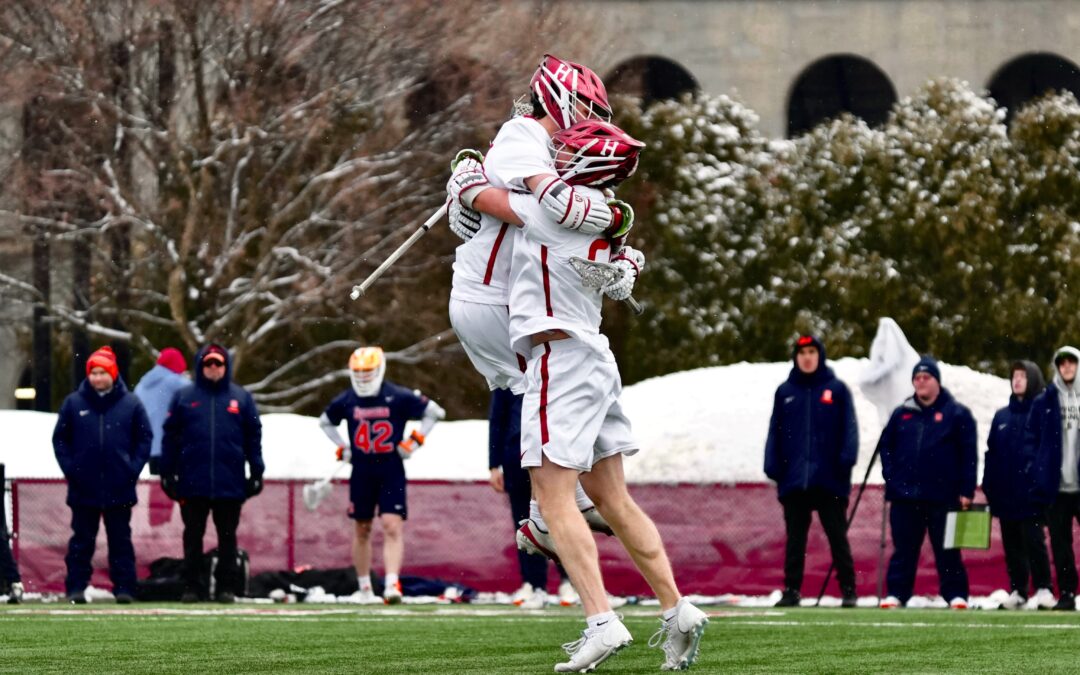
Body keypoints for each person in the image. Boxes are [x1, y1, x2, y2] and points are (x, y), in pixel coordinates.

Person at [471, 120, 707, 672]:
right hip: (593, 358)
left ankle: (600, 620)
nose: (560, 153)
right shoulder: (599, 213)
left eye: (571, 150)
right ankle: (677, 608)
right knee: (613, 500)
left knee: (551, 495)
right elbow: (626, 255)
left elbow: (481, 196)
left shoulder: (555, 210)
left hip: (560, 357)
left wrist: (463, 172)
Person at [444, 53, 623, 561]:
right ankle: (548, 512)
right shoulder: (526, 135)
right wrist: (473, 192)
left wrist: (469, 187)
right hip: (492, 299)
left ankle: (564, 500)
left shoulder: (542, 146)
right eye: (587, 108)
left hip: (492, 298)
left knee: (546, 392)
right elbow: (541, 211)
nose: (593, 121)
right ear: (563, 101)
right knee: (548, 389)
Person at [318, 346, 445, 604]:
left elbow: (435, 412)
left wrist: (415, 440)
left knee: (391, 525)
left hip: (390, 469)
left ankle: (391, 584)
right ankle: (364, 588)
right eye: (359, 373)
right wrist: (343, 447)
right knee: (362, 528)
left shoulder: (396, 396)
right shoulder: (347, 399)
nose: (363, 378)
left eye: (368, 372)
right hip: (362, 471)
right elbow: (325, 421)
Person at [161, 344, 264, 603]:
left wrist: (256, 470)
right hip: (193, 481)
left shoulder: (241, 398)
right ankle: (192, 587)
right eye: (209, 364)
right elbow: (170, 437)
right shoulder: (184, 397)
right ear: (201, 366)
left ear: (225, 366)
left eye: (218, 364)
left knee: (227, 537)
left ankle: (226, 587)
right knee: (193, 536)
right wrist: (167, 472)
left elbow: (253, 436)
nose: (214, 368)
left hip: (229, 482)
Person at [52, 346, 153, 604]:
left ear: (113, 373)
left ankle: (125, 589)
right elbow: (60, 440)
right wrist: (71, 469)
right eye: (93, 372)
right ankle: (75, 588)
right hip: (83, 488)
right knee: (81, 542)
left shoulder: (131, 404)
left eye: (102, 372)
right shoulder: (73, 403)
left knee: (120, 541)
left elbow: (144, 439)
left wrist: (132, 469)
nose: (97, 377)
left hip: (120, 486)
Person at [764, 334, 859, 608]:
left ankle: (848, 589)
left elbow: (849, 431)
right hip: (794, 480)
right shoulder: (785, 392)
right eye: (802, 352)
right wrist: (773, 466)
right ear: (796, 357)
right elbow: (775, 431)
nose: (807, 357)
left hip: (829, 479)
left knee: (837, 536)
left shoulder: (837, 389)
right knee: (795, 539)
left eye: (812, 352)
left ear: (820, 356)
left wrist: (845, 461)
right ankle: (792, 590)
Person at [877, 355, 977, 609]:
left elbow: (969, 454)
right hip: (905, 496)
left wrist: (966, 489)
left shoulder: (957, 414)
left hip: (943, 495)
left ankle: (956, 594)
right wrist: (891, 476)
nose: (920, 382)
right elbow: (886, 447)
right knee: (904, 549)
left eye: (926, 377)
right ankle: (897, 593)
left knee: (948, 549)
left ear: (937, 382)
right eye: (917, 378)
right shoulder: (901, 414)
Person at [488, 388, 576, 608]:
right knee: (524, 520)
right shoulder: (506, 373)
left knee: (558, 516)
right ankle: (533, 584)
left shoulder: (554, 367)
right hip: (515, 457)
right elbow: (497, 419)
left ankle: (571, 581)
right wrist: (493, 464)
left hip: (551, 453)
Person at [984, 360, 1054, 609]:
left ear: (1033, 378)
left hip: (1032, 495)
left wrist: (1041, 484)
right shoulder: (1001, 416)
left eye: (1023, 376)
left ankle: (1044, 588)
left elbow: (1047, 451)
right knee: (1012, 544)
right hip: (1005, 494)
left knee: (1034, 542)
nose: (1017, 380)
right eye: (1014, 376)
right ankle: (1019, 590)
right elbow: (991, 454)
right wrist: (989, 486)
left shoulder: (1042, 412)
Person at [1023, 346, 1080, 610]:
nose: (1067, 367)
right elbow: (1030, 440)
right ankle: (1067, 592)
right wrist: (1037, 470)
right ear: (1056, 367)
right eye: (1062, 363)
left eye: (1072, 362)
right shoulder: (1044, 401)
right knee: (1060, 544)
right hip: (1056, 487)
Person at [134, 347, 188, 475]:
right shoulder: (176, 382)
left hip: (149, 448)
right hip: (172, 447)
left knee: (156, 491)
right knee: (175, 491)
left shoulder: (140, 385)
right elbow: (198, 397)